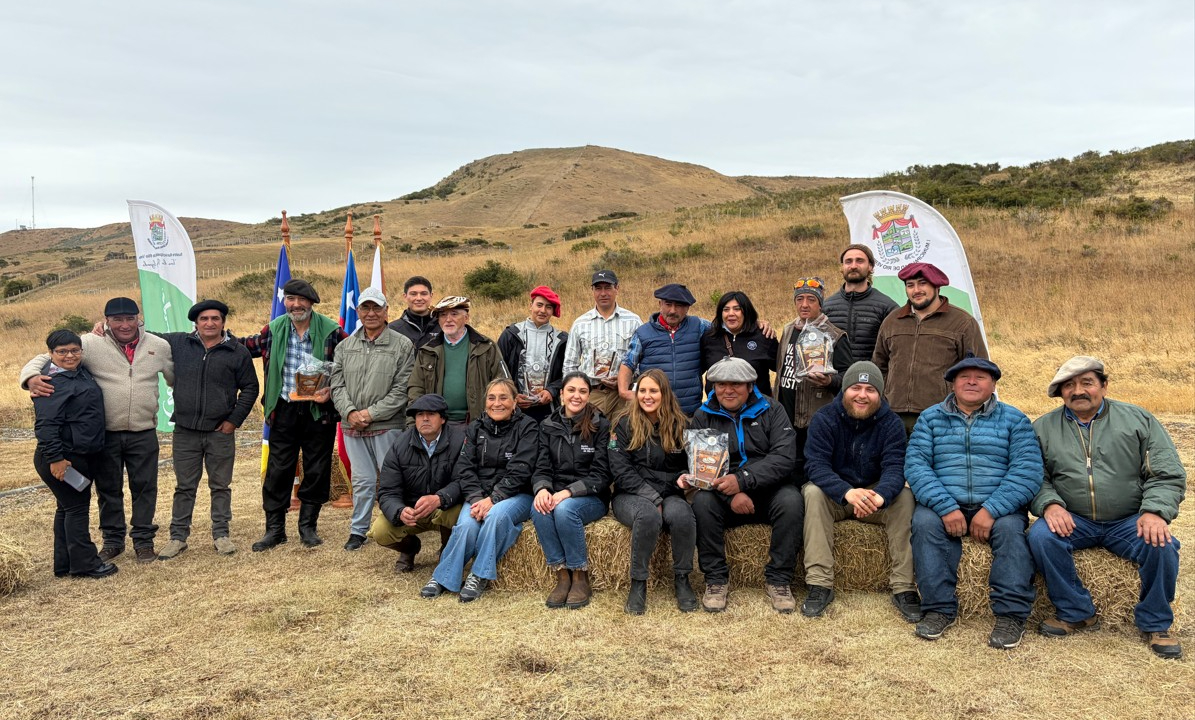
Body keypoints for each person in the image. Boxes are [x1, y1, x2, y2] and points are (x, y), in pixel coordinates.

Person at [1027, 356, 1186, 660]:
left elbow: (1167, 474)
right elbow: (1034, 476)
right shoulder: (1043, 428)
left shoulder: (1139, 420)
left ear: (1103, 385)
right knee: (1041, 537)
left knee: (1163, 544)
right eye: (1069, 386)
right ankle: (1076, 611)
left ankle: (1156, 622)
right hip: (1074, 519)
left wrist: (1154, 511)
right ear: (1061, 393)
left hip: (1129, 519)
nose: (1078, 391)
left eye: (1087, 382)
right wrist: (1049, 505)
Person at [21, 296, 174, 563]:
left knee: (145, 487)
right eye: (117, 320)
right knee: (108, 489)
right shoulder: (90, 343)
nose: (124, 325)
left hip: (144, 431)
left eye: (130, 318)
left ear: (139, 318)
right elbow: (47, 354)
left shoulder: (158, 346)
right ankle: (113, 541)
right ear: (107, 320)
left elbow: (176, 379)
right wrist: (31, 377)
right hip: (106, 434)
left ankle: (143, 542)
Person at [905, 357, 1043, 649]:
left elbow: (1027, 471)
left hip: (998, 505)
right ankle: (938, 609)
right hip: (944, 501)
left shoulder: (1015, 420)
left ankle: (1011, 616)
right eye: (964, 376)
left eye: (980, 377)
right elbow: (916, 466)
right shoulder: (930, 418)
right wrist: (944, 506)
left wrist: (991, 510)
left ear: (993, 384)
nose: (971, 382)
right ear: (952, 383)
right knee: (924, 523)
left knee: (1011, 532)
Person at [801, 361, 921, 622]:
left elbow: (895, 467)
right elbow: (816, 465)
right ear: (844, 390)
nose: (862, 395)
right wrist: (846, 492)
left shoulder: (891, 423)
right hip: (838, 495)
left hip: (874, 497)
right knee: (812, 493)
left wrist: (880, 495)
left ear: (880, 394)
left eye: (870, 389)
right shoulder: (824, 419)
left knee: (905, 497)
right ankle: (820, 584)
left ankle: (904, 587)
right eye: (856, 387)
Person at [684, 358, 800, 614]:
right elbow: (701, 471)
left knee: (792, 501)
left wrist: (742, 481)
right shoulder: (703, 416)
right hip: (723, 494)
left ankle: (779, 579)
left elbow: (783, 458)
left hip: (768, 490)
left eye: (735, 384)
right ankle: (715, 579)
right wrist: (729, 495)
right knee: (702, 502)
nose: (728, 390)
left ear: (750, 386)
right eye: (721, 384)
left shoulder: (773, 410)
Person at [240, 278, 348, 551]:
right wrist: (212, 336)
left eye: (302, 300)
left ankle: (308, 527)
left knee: (316, 467)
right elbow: (243, 347)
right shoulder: (273, 330)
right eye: (291, 299)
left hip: (319, 410)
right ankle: (274, 530)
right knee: (279, 470)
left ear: (312, 303)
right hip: (283, 409)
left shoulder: (333, 332)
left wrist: (332, 390)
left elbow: (351, 365)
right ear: (284, 302)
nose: (296, 305)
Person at [155, 300, 259, 559]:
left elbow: (250, 388)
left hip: (219, 432)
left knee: (221, 485)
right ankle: (178, 537)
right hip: (185, 431)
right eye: (204, 319)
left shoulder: (237, 351)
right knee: (184, 486)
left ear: (223, 321)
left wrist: (234, 420)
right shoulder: (179, 343)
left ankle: (221, 534)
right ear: (196, 322)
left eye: (215, 318)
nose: (210, 323)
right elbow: (142, 336)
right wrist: (104, 328)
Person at [424, 378, 539, 601]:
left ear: (515, 401)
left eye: (504, 397)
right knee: (466, 524)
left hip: (517, 494)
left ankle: (479, 575)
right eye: (492, 398)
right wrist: (477, 498)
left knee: (495, 517)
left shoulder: (528, 427)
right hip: (479, 495)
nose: (497, 403)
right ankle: (444, 576)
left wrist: (493, 499)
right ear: (485, 402)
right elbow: (464, 468)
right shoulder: (475, 427)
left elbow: (522, 470)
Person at [329, 287, 415, 551]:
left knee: (393, 479)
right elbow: (336, 384)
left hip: (387, 426)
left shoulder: (402, 345)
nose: (371, 313)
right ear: (359, 312)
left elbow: (402, 389)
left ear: (387, 311)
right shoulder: (346, 346)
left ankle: (398, 524)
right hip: (352, 426)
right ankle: (358, 530)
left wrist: (371, 413)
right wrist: (351, 412)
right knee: (362, 480)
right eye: (365, 308)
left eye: (376, 308)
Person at [609, 369, 697, 614]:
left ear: (664, 394)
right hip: (631, 494)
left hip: (670, 493)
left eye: (653, 391)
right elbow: (620, 469)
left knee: (681, 516)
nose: (647, 396)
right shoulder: (622, 424)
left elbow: (689, 465)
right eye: (643, 391)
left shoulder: (681, 424)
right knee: (648, 516)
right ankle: (638, 583)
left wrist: (686, 479)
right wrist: (651, 496)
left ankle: (682, 579)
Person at [32, 330, 116, 579]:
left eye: (74, 350)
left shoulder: (80, 372)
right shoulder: (49, 383)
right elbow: (45, 426)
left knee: (67, 508)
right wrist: (56, 459)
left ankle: (65, 564)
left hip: (80, 453)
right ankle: (86, 565)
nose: (69, 355)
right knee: (77, 509)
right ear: (50, 354)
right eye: (62, 352)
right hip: (64, 457)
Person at [872, 262, 988, 434]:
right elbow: (879, 366)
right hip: (894, 416)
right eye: (910, 285)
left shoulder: (963, 323)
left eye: (922, 283)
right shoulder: (892, 321)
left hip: (942, 416)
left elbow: (979, 369)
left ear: (937, 286)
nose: (916, 290)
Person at [531, 372, 613, 610]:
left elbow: (602, 474)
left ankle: (579, 575)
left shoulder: (601, 424)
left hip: (590, 496)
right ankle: (561, 574)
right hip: (556, 493)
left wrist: (569, 491)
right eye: (571, 390)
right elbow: (541, 466)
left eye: (583, 391)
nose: (576, 396)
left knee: (565, 510)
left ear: (589, 395)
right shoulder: (547, 425)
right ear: (561, 394)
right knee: (539, 510)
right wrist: (542, 489)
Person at [369, 394, 467, 572]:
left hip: (444, 506)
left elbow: (464, 480)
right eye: (420, 414)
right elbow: (387, 491)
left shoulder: (460, 441)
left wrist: (440, 498)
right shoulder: (400, 444)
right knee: (380, 532)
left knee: (459, 515)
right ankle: (410, 549)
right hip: (412, 509)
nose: (425, 419)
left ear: (443, 418)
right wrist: (399, 511)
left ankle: (448, 549)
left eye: (431, 414)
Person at [774, 277, 853, 481]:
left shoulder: (835, 336)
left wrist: (830, 381)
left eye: (811, 299)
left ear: (820, 303)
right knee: (788, 469)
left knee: (812, 470)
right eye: (799, 299)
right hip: (785, 415)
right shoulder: (789, 329)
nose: (804, 304)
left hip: (815, 419)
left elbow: (848, 378)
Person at [407, 295, 509, 427]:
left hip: (479, 424)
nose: (448, 320)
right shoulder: (427, 351)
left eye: (454, 314)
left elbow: (504, 384)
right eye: (443, 315)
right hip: (437, 426)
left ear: (466, 318)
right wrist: (413, 424)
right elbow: (416, 388)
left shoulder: (486, 347)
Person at [619, 283, 711, 415]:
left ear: (687, 308)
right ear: (660, 304)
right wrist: (624, 392)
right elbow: (628, 363)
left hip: (689, 412)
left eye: (678, 305)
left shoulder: (700, 326)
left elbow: (725, 333)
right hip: (654, 414)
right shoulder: (643, 333)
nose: (673, 310)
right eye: (668, 304)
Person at [561, 269, 642, 417]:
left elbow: (642, 361)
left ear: (617, 288)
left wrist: (624, 379)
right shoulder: (580, 323)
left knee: (622, 436)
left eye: (608, 287)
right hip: (592, 393)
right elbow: (570, 364)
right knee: (589, 435)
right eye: (598, 288)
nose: (603, 293)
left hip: (623, 395)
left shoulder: (633, 321)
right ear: (592, 290)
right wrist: (572, 393)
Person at [498, 286, 569, 422]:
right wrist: (512, 395)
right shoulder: (511, 334)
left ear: (553, 311)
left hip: (549, 410)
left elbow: (567, 372)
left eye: (548, 307)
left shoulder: (562, 339)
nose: (543, 310)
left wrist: (551, 391)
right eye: (539, 305)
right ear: (530, 306)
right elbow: (498, 369)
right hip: (514, 408)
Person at [823, 244, 899, 364]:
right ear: (842, 267)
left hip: (871, 381)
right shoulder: (826, 307)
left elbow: (896, 351)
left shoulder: (888, 308)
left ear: (870, 267)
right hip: (834, 381)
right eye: (848, 261)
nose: (853, 266)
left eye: (859, 261)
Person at [699, 291, 778, 398]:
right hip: (717, 409)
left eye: (737, 309)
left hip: (757, 409)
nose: (731, 313)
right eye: (726, 309)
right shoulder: (709, 337)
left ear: (746, 311)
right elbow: (696, 369)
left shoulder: (764, 336)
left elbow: (782, 369)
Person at [387, 275, 439, 349]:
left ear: (431, 296)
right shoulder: (392, 330)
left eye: (424, 294)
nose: (419, 298)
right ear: (405, 297)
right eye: (413, 294)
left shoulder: (443, 327)